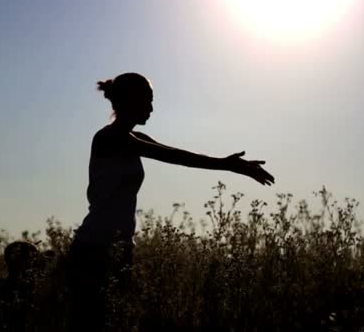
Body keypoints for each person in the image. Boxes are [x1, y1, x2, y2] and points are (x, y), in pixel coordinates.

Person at [65, 72, 275, 331]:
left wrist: (226, 164)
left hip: (120, 249)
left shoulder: (136, 139)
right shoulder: (110, 137)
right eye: (147, 100)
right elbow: (173, 156)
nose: (152, 108)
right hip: (94, 248)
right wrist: (225, 164)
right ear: (130, 100)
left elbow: (179, 153)